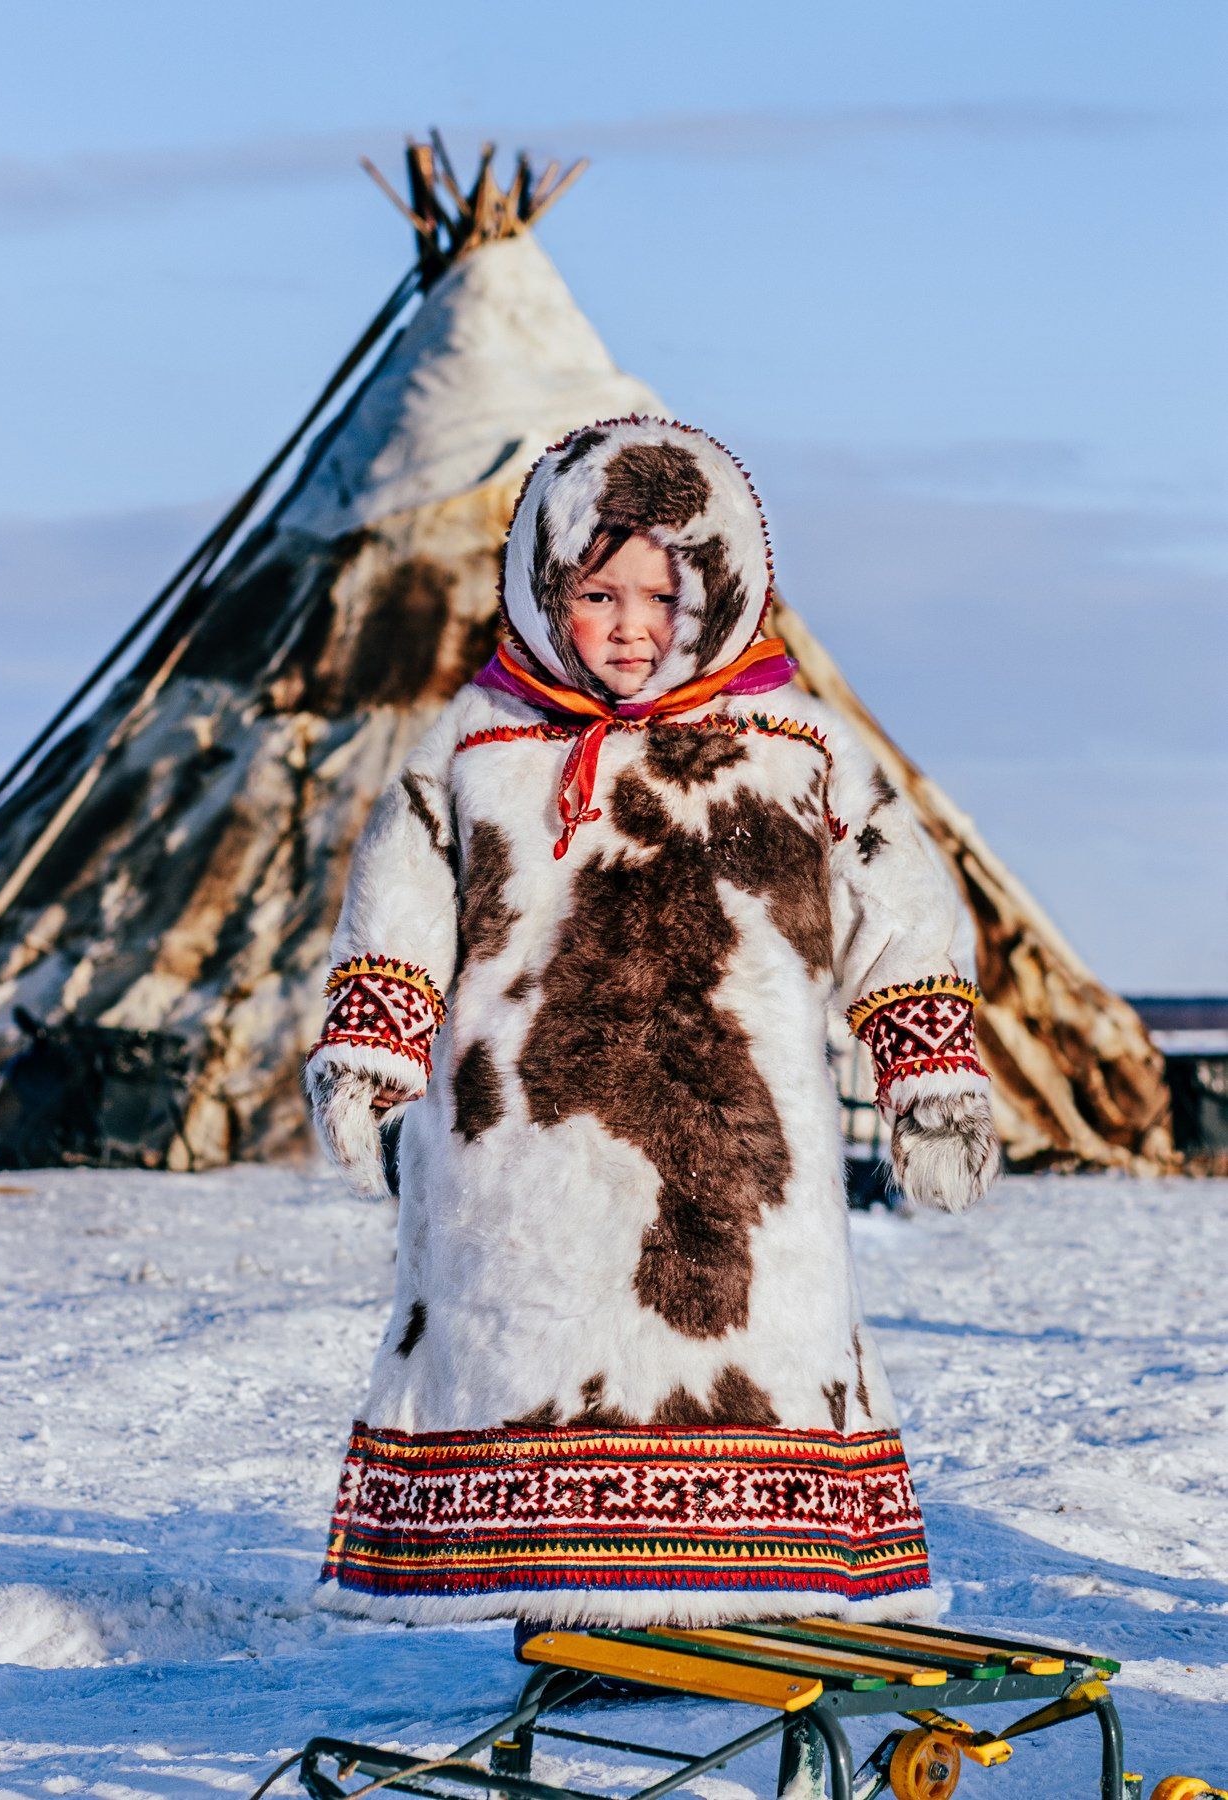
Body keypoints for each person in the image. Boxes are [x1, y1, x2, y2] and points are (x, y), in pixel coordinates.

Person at [303, 414, 1002, 1632]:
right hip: (527, 1156)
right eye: (598, 592)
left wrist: (928, 1080)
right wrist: (370, 1053)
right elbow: (397, 906)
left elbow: (902, 914)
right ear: (543, 585)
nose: (632, 626)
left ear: (722, 587)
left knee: (757, 1364)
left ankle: (749, 1599)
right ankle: (551, 1595)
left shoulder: (797, 750)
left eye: (664, 593)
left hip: (736, 1169)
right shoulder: (478, 748)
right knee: (528, 1350)